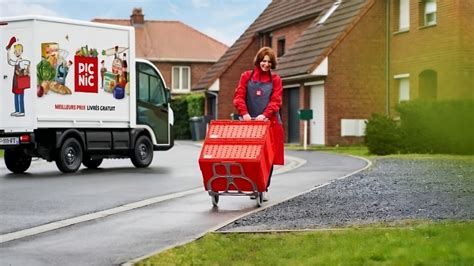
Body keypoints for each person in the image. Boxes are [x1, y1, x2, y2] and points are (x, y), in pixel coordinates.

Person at [233, 46, 285, 201]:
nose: (266, 64)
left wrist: (264, 115)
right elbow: (238, 97)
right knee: (249, 156)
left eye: (269, 62)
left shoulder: (276, 80)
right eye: (264, 61)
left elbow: (276, 101)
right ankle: (252, 186)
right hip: (249, 124)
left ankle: (264, 187)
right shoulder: (246, 77)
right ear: (258, 61)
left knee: (267, 158)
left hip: (270, 123)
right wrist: (245, 114)